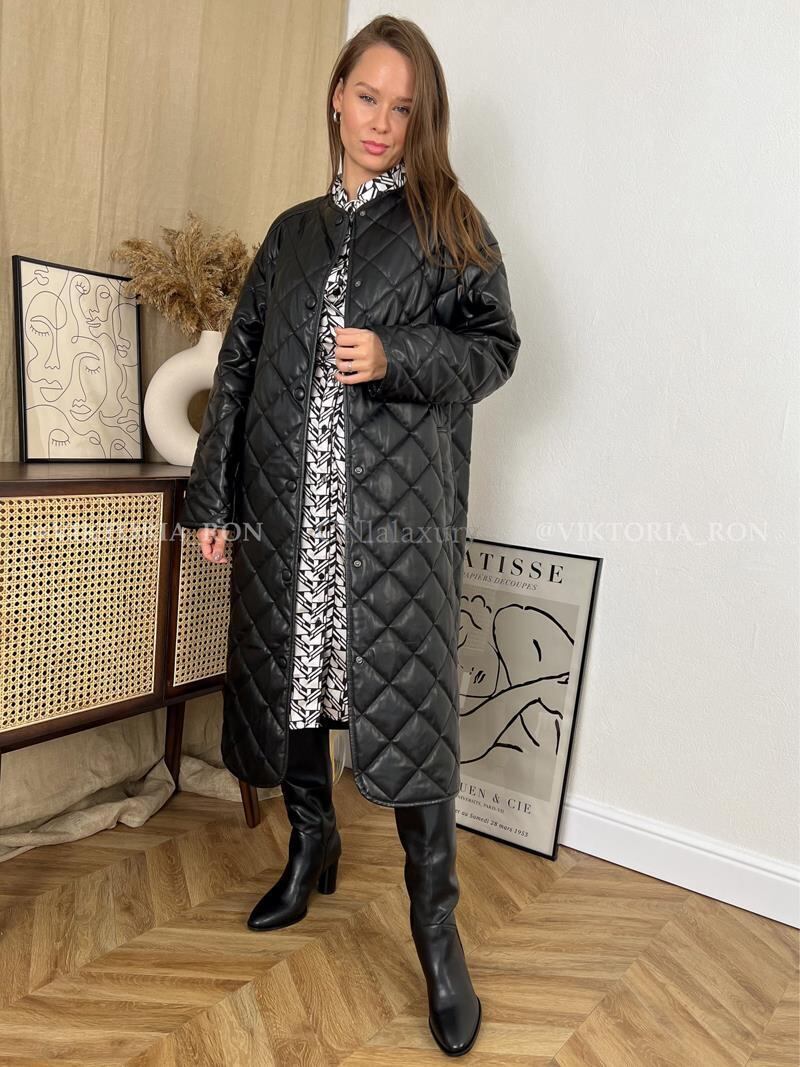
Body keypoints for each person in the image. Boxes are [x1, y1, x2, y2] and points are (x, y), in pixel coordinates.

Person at [179, 14, 521, 1057]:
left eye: (401, 108)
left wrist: (396, 354)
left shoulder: (448, 222)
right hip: (291, 515)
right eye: (366, 97)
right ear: (336, 96)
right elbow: (238, 366)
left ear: (422, 119)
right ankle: (310, 845)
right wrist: (213, 499)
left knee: (409, 718)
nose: (380, 122)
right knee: (291, 686)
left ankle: (436, 934)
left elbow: (495, 347)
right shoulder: (290, 234)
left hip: (393, 526)